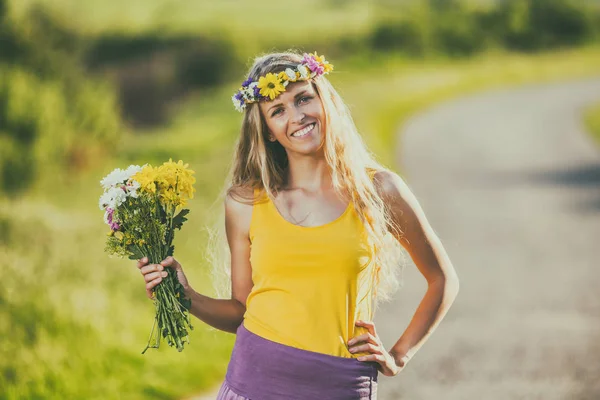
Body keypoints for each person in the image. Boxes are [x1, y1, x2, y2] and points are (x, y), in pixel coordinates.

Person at [135, 50, 460, 400]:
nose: (297, 116)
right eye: (278, 110)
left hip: (340, 386)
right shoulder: (246, 202)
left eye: (303, 98)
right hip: (253, 383)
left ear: (325, 100)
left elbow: (442, 280)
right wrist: (186, 296)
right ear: (269, 131)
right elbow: (241, 312)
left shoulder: (379, 191)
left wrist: (399, 355)